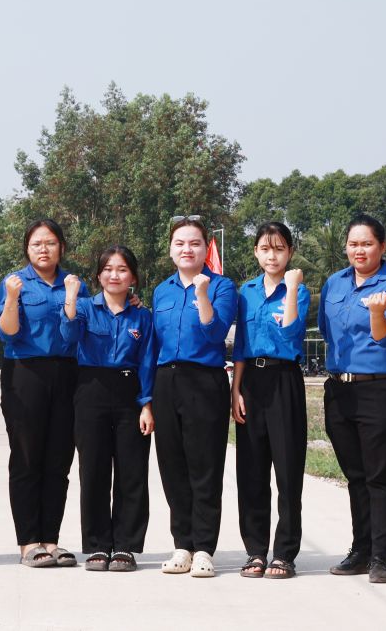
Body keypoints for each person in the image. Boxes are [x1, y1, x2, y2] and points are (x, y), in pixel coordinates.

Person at [319, 213, 386, 584]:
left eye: (367, 244)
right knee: (355, 475)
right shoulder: (334, 283)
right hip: (340, 390)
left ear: (382, 247)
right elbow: (326, 330)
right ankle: (360, 550)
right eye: (353, 244)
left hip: (381, 390)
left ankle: (380, 557)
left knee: (380, 475)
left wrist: (376, 312)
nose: (360, 250)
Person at [151, 215, 236, 579]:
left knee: (205, 467)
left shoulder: (222, 287)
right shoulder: (162, 291)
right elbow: (153, 345)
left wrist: (202, 294)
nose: (187, 249)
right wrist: (146, 399)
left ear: (206, 248)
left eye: (195, 243)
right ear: (171, 250)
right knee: (172, 467)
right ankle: (182, 544)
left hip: (204, 381)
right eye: (180, 243)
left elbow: (216, 333)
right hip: (166, 381)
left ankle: (203, 548)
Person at [0, 218, 80, 568]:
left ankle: (51, 540)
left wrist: (72, 296)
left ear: (61, 247)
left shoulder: (74, 283)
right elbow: (7, 333)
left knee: (59, 461)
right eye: (36, 244)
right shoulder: (14, 282)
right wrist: (12, 298)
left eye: (50, 243)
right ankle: (29, 542)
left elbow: (77, 333)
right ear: (27, 249)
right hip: (25, 373)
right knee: (27, 458)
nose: (44, 249)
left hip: (67, 373)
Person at [65, 245, 155, 573]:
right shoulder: (84, 308)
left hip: (130, 392)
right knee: (94, 470)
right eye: (107, 269)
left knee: (132, 471)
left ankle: (126, 547)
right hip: (91, 389)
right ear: (98, 275)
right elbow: (68, 334)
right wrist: (71, 298)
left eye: (122, 269)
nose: (114, 275)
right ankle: (98, 545)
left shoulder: (142, 316)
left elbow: (147, 361)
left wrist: (146, 404)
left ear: (133, 277)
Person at [231, 222, 309, 580]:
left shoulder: (299, 290)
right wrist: (235, 389)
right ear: (256, 252)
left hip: (284, 380)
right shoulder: (245, 292)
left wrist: (290, 288)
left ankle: (285, 553)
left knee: (288, 470)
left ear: (290, 252)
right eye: (265, 248)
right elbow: (241, 345)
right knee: (251, 471)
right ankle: (255, 550)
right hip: (251, 382)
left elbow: (291, 332)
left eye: (279, 249)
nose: (272, 256)